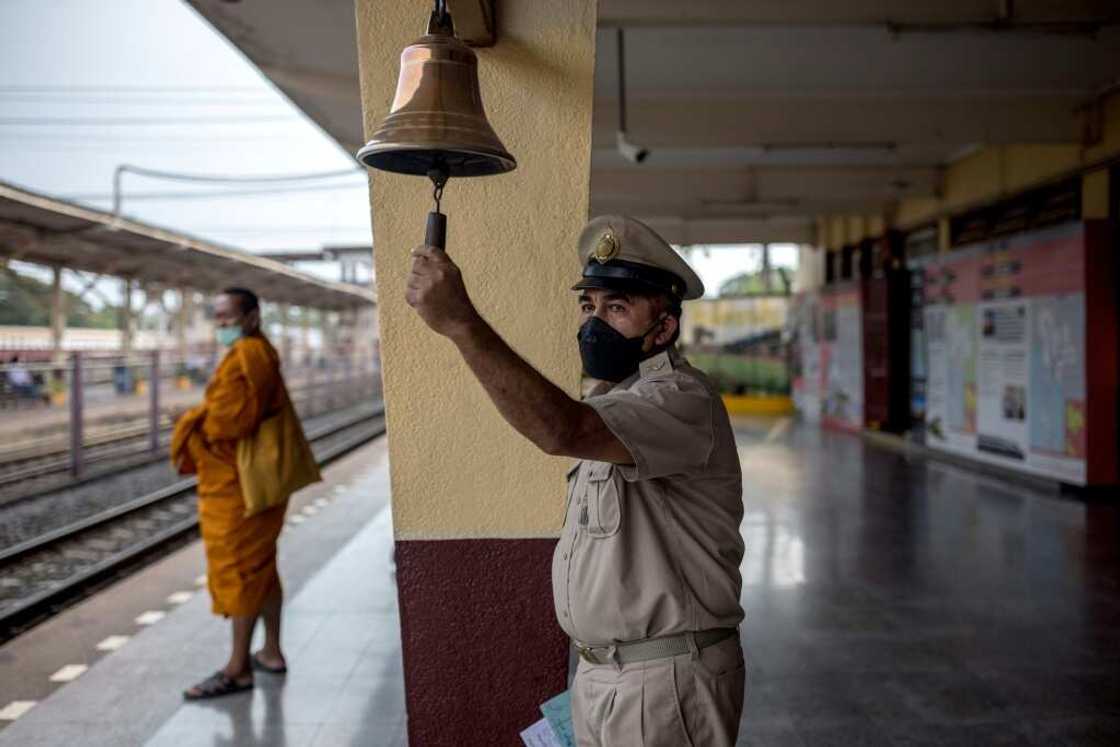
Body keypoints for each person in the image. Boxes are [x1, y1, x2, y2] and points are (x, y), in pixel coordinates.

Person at [405, 215, 746, 745]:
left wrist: (462, 324)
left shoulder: (680, 398)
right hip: (604, 674)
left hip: (663, 681)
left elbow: (559, 429)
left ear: (664, 328)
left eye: (617, 307)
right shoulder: (614, 401)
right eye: (589, 305)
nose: (595, 322)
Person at [171, 287, 291, 699]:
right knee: (262, 566)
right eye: (217, 317)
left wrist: (191, 419)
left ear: (252, 317)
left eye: (229, 317)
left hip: (242, 483)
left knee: (241, 568)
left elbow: (227, 424)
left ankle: (238, 669)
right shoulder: (256, 352)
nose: (222, 324)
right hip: (257, 478)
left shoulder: (248, 355)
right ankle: (271, 651)